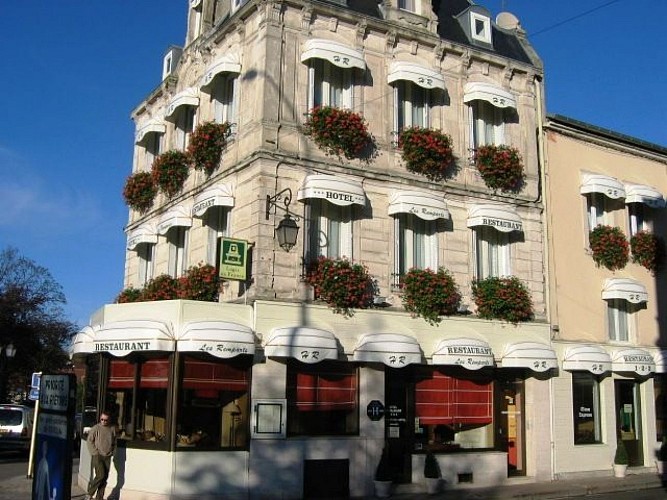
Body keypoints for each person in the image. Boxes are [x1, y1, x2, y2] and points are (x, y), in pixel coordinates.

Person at [85, 411, 116, 500]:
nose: (103, 421)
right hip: (98, 455)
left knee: (104, 478)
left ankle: (99, 497)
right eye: (102, 419)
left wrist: (113, 451)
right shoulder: (96, 428)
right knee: (100, 475)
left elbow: (114, 441)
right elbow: (89, 441)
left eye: (105, 420)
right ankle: (89, 493)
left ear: (108, 420)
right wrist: (95, 452)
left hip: (107, 456)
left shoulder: (112, 429)